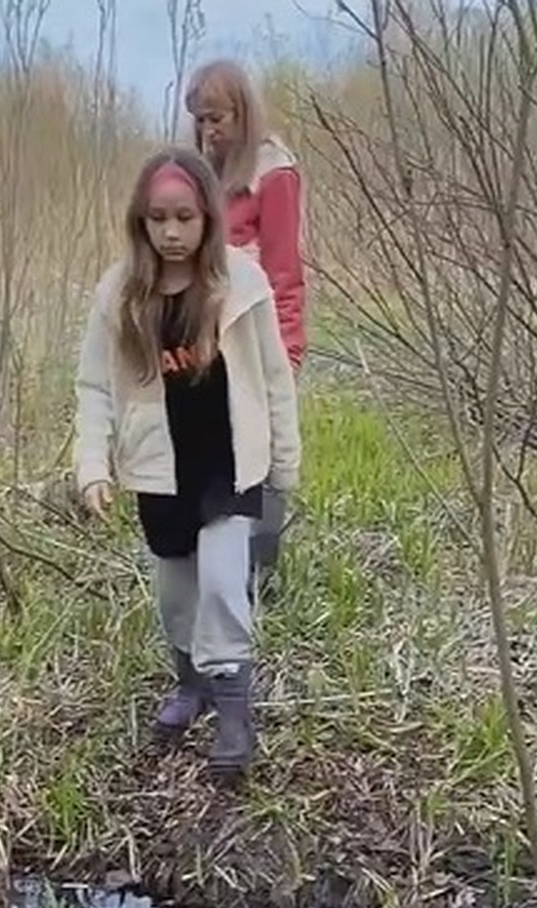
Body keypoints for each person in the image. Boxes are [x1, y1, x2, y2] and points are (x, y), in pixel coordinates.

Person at [73, 147, 300, 785]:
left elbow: (275, 379)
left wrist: (284, 464)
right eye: (157, 219)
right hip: (158, 468)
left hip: (230, 463)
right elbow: (94, 386)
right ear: (139, 222)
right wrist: (93, 464)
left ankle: (234, 711)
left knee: (225, 588)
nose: (172, 233)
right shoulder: (120, 295)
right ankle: (191, 683)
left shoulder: (241, 285)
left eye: (185, 218)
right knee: (177, 598)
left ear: (208, 218)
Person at [185, 59, 307, 601]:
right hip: (206, 342)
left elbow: (283, 268)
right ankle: (216, 568)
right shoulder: (202, 177)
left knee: (263, 455)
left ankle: (261, 576)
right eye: (199, 121)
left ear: (243, 112)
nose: (208, 131)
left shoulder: (273, 172)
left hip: (259, 341)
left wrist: (287, 348)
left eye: (217, 118)